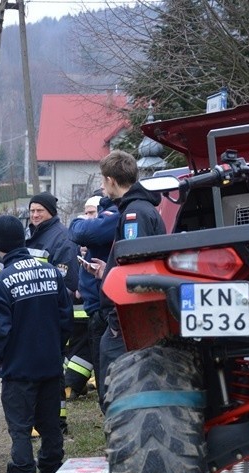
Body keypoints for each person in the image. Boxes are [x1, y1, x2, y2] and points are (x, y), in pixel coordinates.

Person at [0, 215, 73, 473]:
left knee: (20, 433)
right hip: (50, 366)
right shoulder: (51, 272)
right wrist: (55, 351)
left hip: (18, 372)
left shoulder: (0, 282)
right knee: (51, 429)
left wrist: (0, 360)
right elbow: (66, 319)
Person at [93, 150, 166, 406]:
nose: (102, 187)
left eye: (103, 181)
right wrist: (107, 271)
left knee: (115, 392)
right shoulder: (139, 209)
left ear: (112, 180)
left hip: (126, 320)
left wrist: (117, 321)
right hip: (128, 319)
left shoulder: (134, 214)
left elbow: (135, 268)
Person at [25, 192, 79, 432]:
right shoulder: (31, 235)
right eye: (32, 210)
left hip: (50, 316)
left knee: (53, 370)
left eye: (40, 211)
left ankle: (58, 421)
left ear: (51, 213)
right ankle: (44, 419)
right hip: (33, 315)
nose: (35, 215)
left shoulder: (61, 239)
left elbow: (66, 284)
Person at [68, 195, 119, 409]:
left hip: (104, 309)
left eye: (93, 213)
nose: (90, 217)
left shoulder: (113, 218)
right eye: (86, 213)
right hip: (94, 310)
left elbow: (80, 230)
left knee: (106, 371)